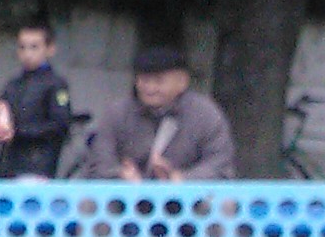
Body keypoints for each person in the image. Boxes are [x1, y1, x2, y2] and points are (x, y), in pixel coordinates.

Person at [83, 46, 237, 181]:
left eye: (159, 81)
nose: (150, 89)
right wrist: (120, 174)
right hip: (126, 194)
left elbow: (219, 164)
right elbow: (99, 160)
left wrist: (181, 178)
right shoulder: (118, 112)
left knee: (224, 202)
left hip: (188, 196)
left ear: (182, 81)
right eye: (144, 80)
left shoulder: (205, 114)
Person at [0, 21, 79, 178]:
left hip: (38, 166)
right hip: (7, 165)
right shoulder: (13, 84)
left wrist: (19, 132)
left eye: (34, 47)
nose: (27, 54)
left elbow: (60, 125)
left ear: (50, 49)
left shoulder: (56, 84)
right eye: (22, 47)